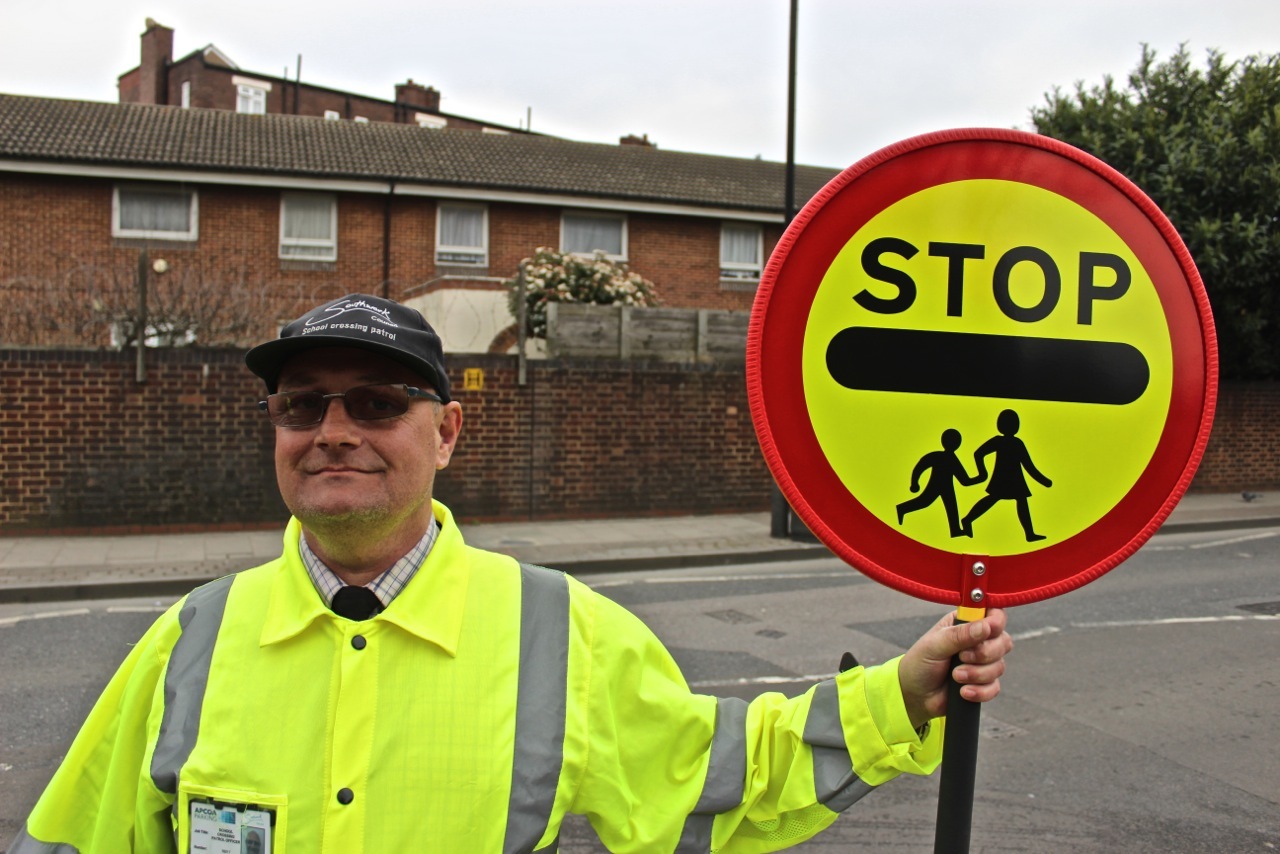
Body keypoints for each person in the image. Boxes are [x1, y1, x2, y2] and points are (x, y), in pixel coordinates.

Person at [10, 294, 1012, 854]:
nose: (332, 432)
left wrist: (899, 695)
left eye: (373, 402)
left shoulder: (554, 625)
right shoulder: (193, 636)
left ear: (445, 431)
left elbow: (717, 774)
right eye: (301, 405)